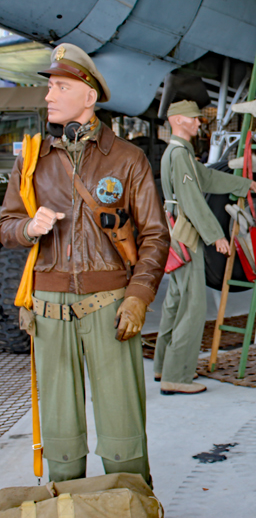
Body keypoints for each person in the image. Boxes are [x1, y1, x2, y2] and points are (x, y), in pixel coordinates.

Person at [0, 43, 169, 484]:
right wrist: (28, 228)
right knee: (60, 434)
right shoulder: (32, 160)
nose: (49, 95)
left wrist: (138, 296)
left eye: (60, 86)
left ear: (89, 95)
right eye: (49, 86)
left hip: (109, 306)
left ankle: (131, 502)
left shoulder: (127, 158)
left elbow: (155, 235)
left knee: (123, 430)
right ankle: (67, 505)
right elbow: (5, 225)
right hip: (47, 309)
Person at [154, 100, 256, 395]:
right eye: (193, 118)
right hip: (187, 235)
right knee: (192, 306)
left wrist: (243, 185)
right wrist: (216, 236)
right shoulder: (179, 154)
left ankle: (163, 365)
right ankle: (177, 376)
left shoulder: (178, 152)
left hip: (177, 232)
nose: (199, 123)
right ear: (178, 120)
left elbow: (206, 177)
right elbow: (192, 200)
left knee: (175, 302)